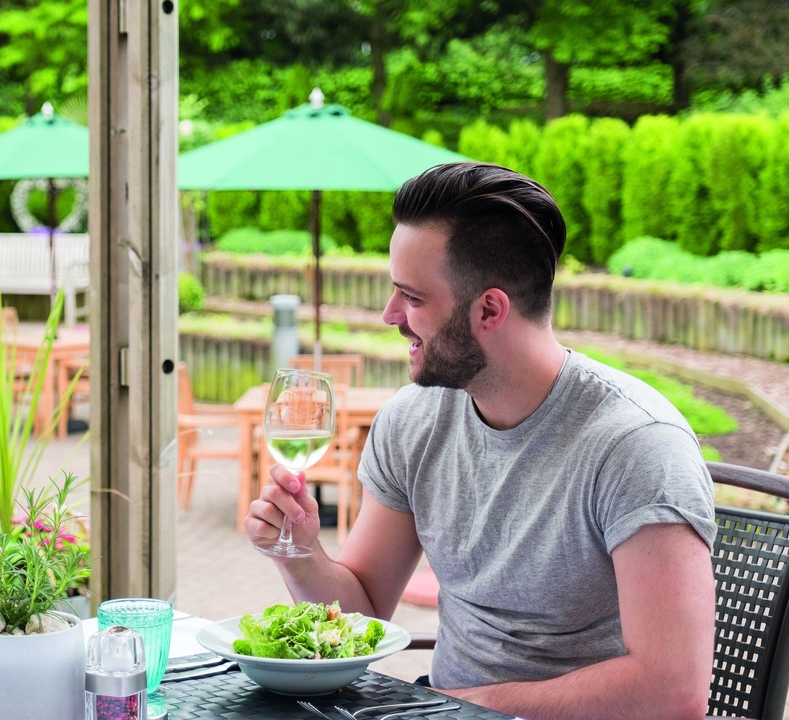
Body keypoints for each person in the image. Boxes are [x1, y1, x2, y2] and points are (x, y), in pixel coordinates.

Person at [245, 162, 716, 719]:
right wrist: (300, 554)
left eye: (412, 298)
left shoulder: (637, 448)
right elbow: (365, 610)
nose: (389, 315)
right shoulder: (414, 422)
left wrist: (461, 707)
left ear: (490, 308)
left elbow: (672, 691)